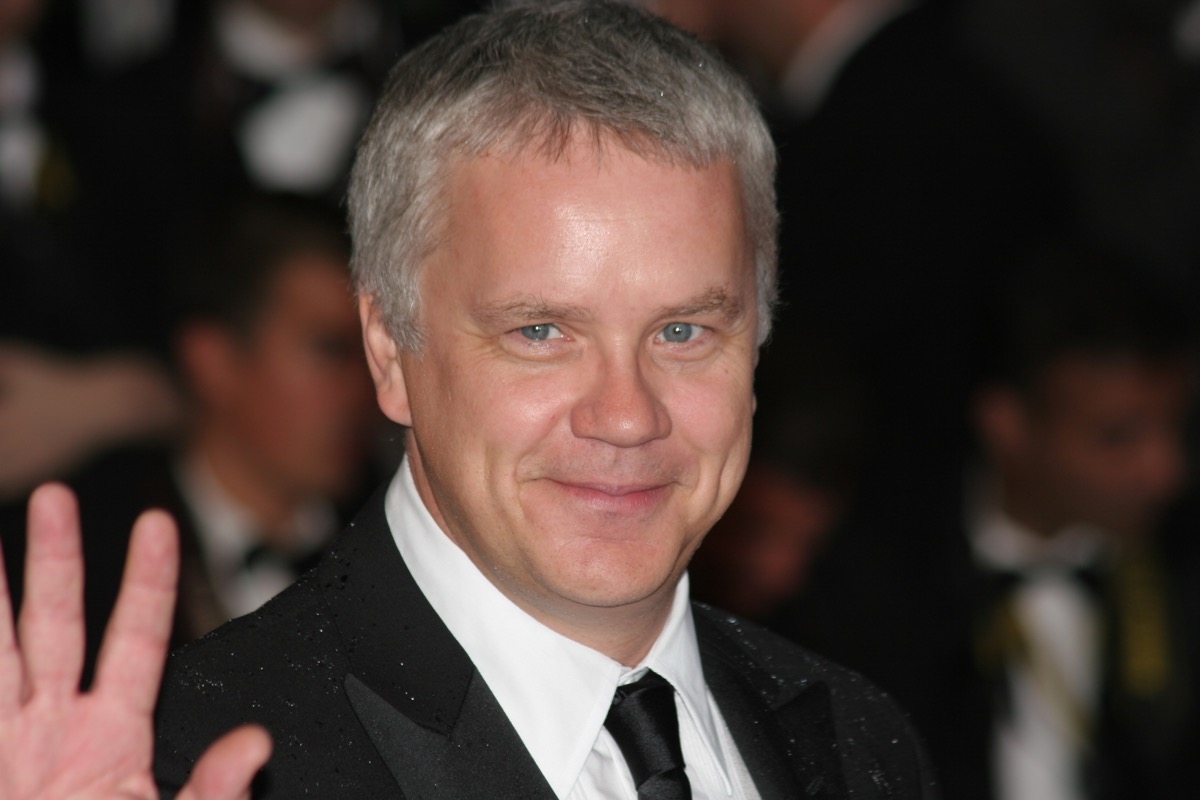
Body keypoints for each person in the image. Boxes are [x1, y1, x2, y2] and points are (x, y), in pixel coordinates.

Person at [0, 2, 937, 798]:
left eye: (685, 332)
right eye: (542, 332)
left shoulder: (861, 743)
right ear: (389, 351)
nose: (627, 415)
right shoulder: (203, 762)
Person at [773, 248, 1200, 800]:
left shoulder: (1180, 567)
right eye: (1117, 437)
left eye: (1176, 426)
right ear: (1008, 425)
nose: (1166, 470)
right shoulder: (874, 581)